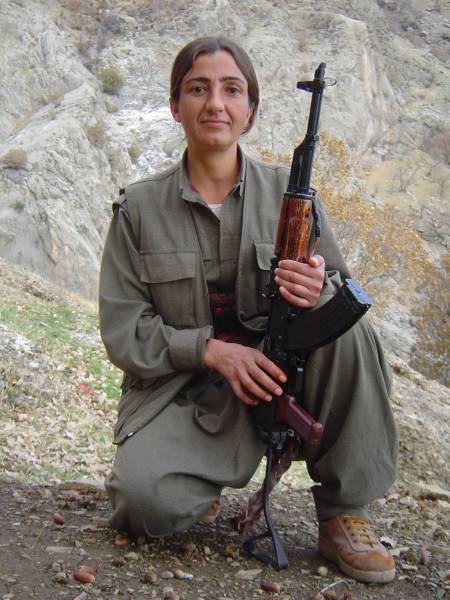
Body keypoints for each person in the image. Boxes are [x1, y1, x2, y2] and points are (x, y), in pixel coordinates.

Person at [99, 36, 398, 584]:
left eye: (231, 90)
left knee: (346, 326)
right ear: (175, 107)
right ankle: (198, 478)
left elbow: (340, 285)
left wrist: (316, 284)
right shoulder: (138, 209)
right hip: (185, 391)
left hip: (280, 377)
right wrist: (210, 351)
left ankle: (343, 513)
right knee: (143, 505)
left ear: (250, 111)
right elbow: (125, 329)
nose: (215, 103)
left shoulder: (291, 195)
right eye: (198, 89)